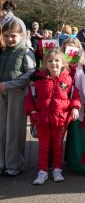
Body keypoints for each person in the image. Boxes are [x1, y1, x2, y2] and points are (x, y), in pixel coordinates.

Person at [24, 50, 81, 185]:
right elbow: (29, 97)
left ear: (62, 63)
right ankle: (42, 171)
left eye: (57, 61)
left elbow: (75, 95)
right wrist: (32, 112)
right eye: (50, 61)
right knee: (43, 147)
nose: (53, 63)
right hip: (42, 119)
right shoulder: (37, 79)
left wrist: (75, 108)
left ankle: (57, 169)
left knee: (57, 146)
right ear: (45, 64)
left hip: (60, 120)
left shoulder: (68, 79)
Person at [0, 20, 36, 176]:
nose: (9, 39)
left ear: (21, 35)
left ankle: (14, 165)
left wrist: (11, 84)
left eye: (13, 36)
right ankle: (2, 163)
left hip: (17, 93)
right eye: (6, 36)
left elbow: (31, 73)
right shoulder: (3, 50)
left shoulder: (26, 50)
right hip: (2, 93)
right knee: (1, 129)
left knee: (14, 129)